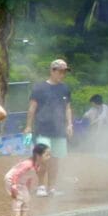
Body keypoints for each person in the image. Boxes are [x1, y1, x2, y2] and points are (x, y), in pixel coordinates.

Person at [24, 59, 73, 197]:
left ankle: (51, 187)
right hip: (43, 129)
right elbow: (32, 108)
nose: (63, 74)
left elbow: (68, 108)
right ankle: (41, 186)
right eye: (60, 71)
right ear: (52, 70)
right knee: (43, 159)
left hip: (59, 130)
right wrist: (28, 126)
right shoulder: (39, 88)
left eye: (65, 72)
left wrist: (69, 124)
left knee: (55, 160)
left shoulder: (65, 88)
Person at [3, 143, 50, 216]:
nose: (49, 157)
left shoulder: (37, 165)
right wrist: (14, 186)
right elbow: (16, 174)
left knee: (27, 198)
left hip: (21, 182)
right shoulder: (28, 164)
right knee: (18, 198)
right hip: (12, 179)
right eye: (47, 155)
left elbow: (28, 177)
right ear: (38, 155)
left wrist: (28, 188)